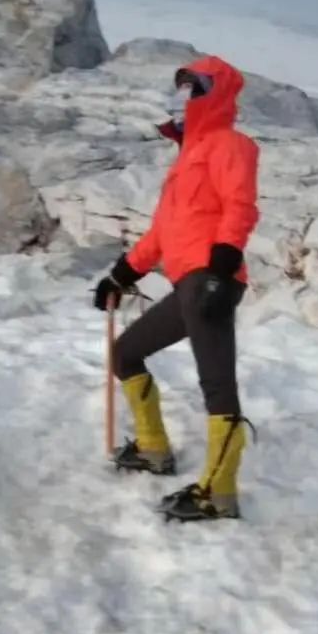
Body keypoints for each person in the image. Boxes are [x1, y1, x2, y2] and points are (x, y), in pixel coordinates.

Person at [93, 55, 259, 522]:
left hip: (211, 280)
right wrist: (121, 276)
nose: (184, 94)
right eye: (181, 85)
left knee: (217, 387)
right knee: (124, 354)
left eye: (194, 86)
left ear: (216, 92)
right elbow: (162, 235)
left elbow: (240, 206)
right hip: (188, 281)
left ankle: (219, 493)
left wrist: (222, 268)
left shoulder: (230, 145)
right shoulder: (187, 158)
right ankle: (153, 448)